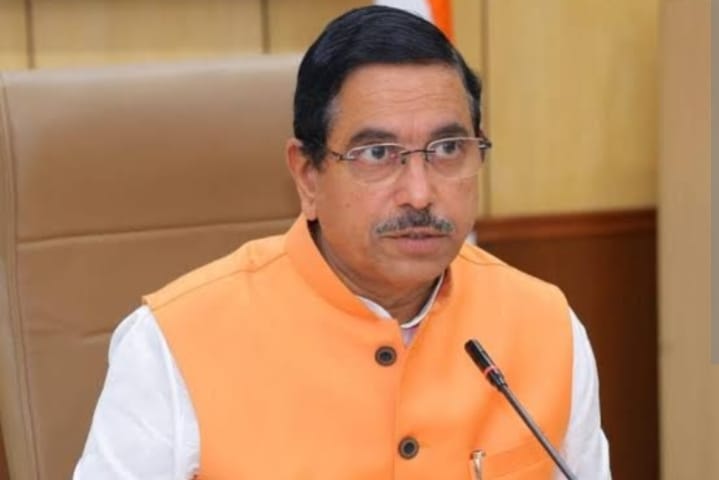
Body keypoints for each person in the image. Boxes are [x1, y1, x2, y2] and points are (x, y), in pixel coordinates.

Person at [74, 5, 610, 479]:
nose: (420, 194)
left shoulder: (545, 326)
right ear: (307, 176)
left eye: (448, 148)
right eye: (377, 154)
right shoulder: (172, 343)